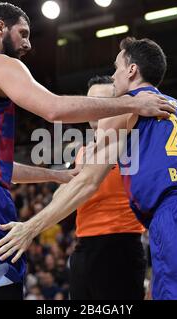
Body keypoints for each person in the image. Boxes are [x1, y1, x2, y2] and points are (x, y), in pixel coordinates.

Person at [0, 3, 174, 300]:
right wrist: (132, 103)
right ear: (0, 28)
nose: (28, 43)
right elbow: (53, 109)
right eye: (23, 33)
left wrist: (57, 176)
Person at [0, 37, 177, 300]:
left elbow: (87, 180)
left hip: (172, 216)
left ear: (132, 70)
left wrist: (30, 228)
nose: (114, 76)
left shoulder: (129, 107)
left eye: (117, 68)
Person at [67, 75, 146, 300]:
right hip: (84, 246)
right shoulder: (82, 151)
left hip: (120, 244)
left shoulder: (131, 141)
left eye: (100, 101)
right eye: (89, 101)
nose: (92, 108)